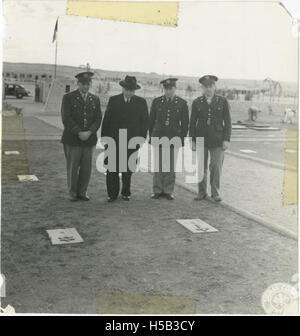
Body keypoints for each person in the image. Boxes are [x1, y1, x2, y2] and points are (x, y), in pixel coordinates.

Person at [101, 75, 149, 202]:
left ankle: (126, 192)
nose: (128, 92)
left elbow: (145, 122)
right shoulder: (113, 100)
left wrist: (141, 139)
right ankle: (112, 194)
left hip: (132, 141)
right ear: (122, 88)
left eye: (131, 90)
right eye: (126, 89)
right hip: (114, 140)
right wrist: (105, 138)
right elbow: (106, 121)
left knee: (128, 169)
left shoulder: (141, 102)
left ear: (134, 90)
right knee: (112, 168)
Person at [61, 71, 102, 201]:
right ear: (77, 83)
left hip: (89, 139)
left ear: (90, 84)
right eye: (83, 83)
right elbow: (66, 118)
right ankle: (73, 193)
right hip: (73, 139)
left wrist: (89, 132)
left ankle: (82, 192)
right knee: (73, 167)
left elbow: (98, 118)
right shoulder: (68, 97)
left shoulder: (95, 99)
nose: (85, 86)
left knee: (86, 168)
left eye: (88, 84)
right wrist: (79, 132)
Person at [189, 75, 231, 202]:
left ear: (215, 87)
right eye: (205, 87)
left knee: (215, 166)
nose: (208, 89)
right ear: (202, 88)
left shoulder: (222, 101)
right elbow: (192, 123)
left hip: (218, 139)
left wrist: (226, 139)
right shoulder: (197, 102)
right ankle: (201, 192)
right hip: (201, 138)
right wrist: (193, 140)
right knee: (201, 167)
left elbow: (228, 122)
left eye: (210, 86)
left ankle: (215, 192)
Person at [149, 78, 189, 200]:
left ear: (175, 89)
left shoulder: (182, 103)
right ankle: (157, 190)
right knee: (158, 165)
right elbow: (151, 121)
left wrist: (181, 139)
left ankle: (168, 190)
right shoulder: (157, 102)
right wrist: (151, 137)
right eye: (166, 89)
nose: (168, 91)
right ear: (164, 89)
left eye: (171, 89)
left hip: (174, 138)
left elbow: (185, 123)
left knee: (171, 166)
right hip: (159, 137)